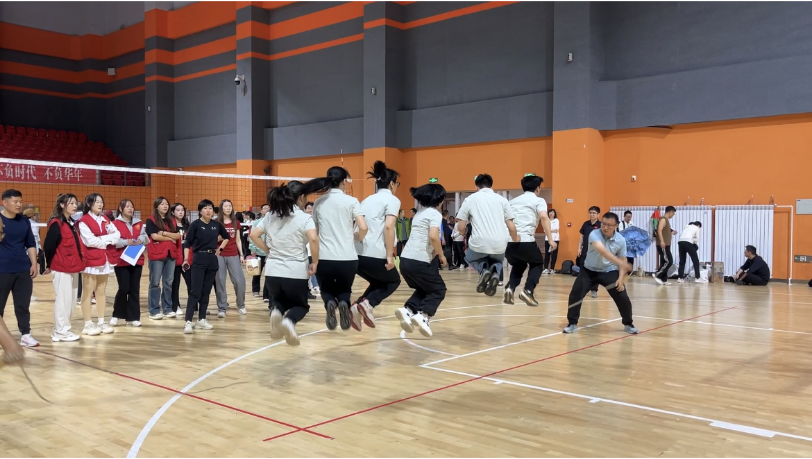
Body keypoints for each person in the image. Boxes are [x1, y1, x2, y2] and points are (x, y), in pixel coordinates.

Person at [250, 182, 318, 346]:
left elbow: (253, 235)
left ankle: (276, 312)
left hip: (272, 271)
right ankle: (289, 320)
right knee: (300, 306)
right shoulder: (304, 217)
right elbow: (313, 239)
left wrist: (267, 249)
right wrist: (315, 262)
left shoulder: (270, 215)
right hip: (295, 270)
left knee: (279, 301)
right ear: (301, 198)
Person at [310, 166, 367, 331]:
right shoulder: (352, 201)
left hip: (324, 257)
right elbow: (363, 227)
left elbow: (314, 233)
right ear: (344, 181)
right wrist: (358, 237)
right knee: (345, 289)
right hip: (347, 257)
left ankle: (329, 302)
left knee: (326, 289)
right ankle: (343, 303)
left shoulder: (319, 202)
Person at [563, 212, 638, 335]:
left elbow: (623, 259)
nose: (605, 227)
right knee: (575, 295)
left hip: (608, 272)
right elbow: (602, 251)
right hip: (588, 271)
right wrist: (620, 263)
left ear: (616, 226)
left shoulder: (620, 240)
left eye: (609, 225)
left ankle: (628, 323)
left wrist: (620, 278)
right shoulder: (594, 234)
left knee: (622, 297)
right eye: (603, 224)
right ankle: (572, 323)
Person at [352, 161, 401, 331]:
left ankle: (358, 306)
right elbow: (389, 227)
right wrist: (389, 256)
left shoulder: (366, 200)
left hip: (356, 254)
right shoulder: (392, 200)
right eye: (397, 184)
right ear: (392, 184)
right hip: (375, 253)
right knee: (393, 281)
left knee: (378, 282)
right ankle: (368, 304)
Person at [395, 183, 448, 338]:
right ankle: (423, 315)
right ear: (438, 200)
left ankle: (408, 310)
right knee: (438, 289)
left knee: (425, 288)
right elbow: (433, 236)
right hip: (419, 261)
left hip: (406, 261)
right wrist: (441, 255)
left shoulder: (419, 214)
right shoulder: (435, 214)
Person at [455, 174, 519, 296]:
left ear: (476, 187)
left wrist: (462, 233)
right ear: (492, 186)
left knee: (470, 257)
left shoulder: (470, 199)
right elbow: (511, 226)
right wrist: (515, 239)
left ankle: (484, 270)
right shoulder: (502, 200)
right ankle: (494, 273)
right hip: (500, 243)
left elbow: (461, 226)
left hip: (479, 242)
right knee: (497, 260)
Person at [504, 175, 556, 307]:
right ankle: (528, 290)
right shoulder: (539, 200)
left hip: (509, 242)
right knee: (538, 263)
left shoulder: (512, 202)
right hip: (525, 240)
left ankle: (510, 288)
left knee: (519, 265)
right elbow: (544, 217)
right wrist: (550, 239)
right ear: (537, 188)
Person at [182, 200, 230, 333]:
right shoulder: (195, 225)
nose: (208, 210)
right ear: (200, 211)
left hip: (212, 260)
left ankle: (201, 319)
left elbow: (226, 237)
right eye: (205, 208)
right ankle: (188, 321)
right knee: (195, 291)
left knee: (206, 291)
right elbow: (187, 243)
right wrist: (186, 259)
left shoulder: (216, 224)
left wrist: (220, 249)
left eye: (210, 208)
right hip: (199, 258)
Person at [0, 189, 39, 347]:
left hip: (23, 269)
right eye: (15, 202)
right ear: (4, 203)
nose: (19, 204)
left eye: (20, 202)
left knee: (23, 305)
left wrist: (34, 263)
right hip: (2, 269)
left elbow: (30, 243)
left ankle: (26, 335)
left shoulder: (24, 221)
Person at [42, 193, 84, 342]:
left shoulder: (71, 223)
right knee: (63, 300)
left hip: (73, 267)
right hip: (61, 267)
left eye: (75, 203)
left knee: (71, 301)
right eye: (71, 203)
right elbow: (48, 246)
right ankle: (60, 331)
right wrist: (49, 264)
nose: (75, 206)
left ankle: (64, 329)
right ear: (62, 205)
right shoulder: (56, 223)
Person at [78, 193, 120, 336]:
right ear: (89, 204)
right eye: (97, 202)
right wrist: (107, 240)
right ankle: (87, 324)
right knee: (88, 291)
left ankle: (101, 322)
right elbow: (89, 241)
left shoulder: (105, 219)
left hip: (105, 259)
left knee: (101, 291)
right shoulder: (83, 221)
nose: (100, 204)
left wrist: (102, 239)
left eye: (101, 202)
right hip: (91, 260)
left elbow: (117, 235)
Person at [109, 199, 147, 327]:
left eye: (131, 206)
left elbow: (145, 237)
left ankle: (133, 317)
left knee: (134, 289)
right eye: (127, 207)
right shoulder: (114, 224)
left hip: (136, 259)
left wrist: (140, 239)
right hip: (121, 260)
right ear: (121, 209)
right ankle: (116, 314)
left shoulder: (138, 223)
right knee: (124, 288)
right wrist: (126, 242)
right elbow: (113, 241)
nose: (130, 209)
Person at [145, 197, 180, 319]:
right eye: (162, 204)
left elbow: (178, 235)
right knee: (155, 283)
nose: (165, 206)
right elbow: (154, 236)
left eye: (166, 204)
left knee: (168, 283)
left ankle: (167, 308)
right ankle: (154, 310)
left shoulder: (172, 220)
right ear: (156, 206)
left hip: (171, 255)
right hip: (157, 255)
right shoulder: (151, 220)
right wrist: (170, 238)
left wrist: (164, 233)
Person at [215, 199, 247, 318]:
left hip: (233, 254)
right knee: (220, 281)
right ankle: (222, 307)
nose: (228, 208)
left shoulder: (236, 222)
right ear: (221, 208)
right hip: (219, 254)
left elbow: (238, 240)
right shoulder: (216, 222)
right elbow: (212, 239)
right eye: (225, 206)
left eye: (230, 206)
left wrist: (241, 254)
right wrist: (218, 238)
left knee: (239, 281)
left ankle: (241, 305)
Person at [578, 206, 602, 298]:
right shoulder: (585, 224)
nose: (592, 214)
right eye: (590, 213)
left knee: (595, 271)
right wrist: (579, 248)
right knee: (583, 270)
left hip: (596, 252)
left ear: (598, 214)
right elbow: (581, 236)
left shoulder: (600, 225)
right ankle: (582, 289)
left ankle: (594, 289)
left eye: (594, 213)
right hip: (585, 250)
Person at [170, 203, 190, 315]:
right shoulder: (170, 226)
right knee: (175, 284)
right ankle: (175, 306)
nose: (181, 212)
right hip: (175, 259)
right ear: (173, 212)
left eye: (182, 210)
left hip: (187, 259)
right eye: (178, 210)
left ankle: (194, 306)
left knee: (191, 283)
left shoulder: (188, 226)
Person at [248, 209, 271, 303]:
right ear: (261, 211)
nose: (267, 209)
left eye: (268, 208)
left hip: (270, 253)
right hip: (259, 251)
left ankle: (267, 295)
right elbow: (252, 236)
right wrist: (252, 248)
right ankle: (256, 290)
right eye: (264, 208)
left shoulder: (273, 220)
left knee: (269, 274)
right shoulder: (257, 222)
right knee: (257, 272)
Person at [653, 206, 677, 285]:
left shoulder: (666, 220)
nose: (673, 215)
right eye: (673, 213)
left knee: (664, 262)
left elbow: (664, 231)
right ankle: (658, 275)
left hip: (666, 244)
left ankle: (664, 279)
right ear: (670, 212)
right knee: (669, 261)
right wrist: (662, 241)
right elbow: (659, 230)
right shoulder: (663, 219)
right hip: (663, 244)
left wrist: (671, 232)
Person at [303, 201, 319, 298]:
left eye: (311, 208)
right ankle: (309, 288)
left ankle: (314, 286)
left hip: (314, 248)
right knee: (307, 270)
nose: (310, 210)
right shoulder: (303, 220)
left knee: (313, 268)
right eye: (308, 208)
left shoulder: (316, 220)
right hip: (305, 248)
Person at [543, 208, 559, 274]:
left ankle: (552, 268)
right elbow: (545, 230)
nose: (551, 213)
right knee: (547, 254)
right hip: (547, 239)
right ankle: (546, 268)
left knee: (554, 254)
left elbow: (556, 230)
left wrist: (549, 230)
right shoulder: (546, 220)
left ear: (554, 214)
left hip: (555, 239)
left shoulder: (556, 220)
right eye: (550, 212)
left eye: (552, 212)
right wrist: (550, 231)